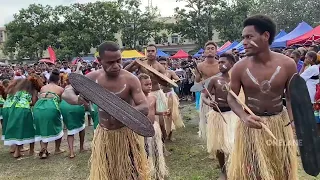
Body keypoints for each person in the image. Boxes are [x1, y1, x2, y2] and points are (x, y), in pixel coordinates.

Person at [62, 41, 150, 180]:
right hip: (104, 135)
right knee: (106, 174)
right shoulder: (93, 78)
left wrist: (122, 113)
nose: (116, 66)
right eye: (110, 62)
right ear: (99, 61)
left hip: (126, 136)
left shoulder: (130, 79)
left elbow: (144, 107)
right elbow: (67, 92)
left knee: (132, 174)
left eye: (118, 60)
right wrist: (77, 99)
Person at [227, 15, 298, 180]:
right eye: (243, 37)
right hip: (252, 127)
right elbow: (231, 97)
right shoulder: (239, 67)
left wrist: (293, 122)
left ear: (266, 36)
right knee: (254, 172)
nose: (244, 42)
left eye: (249, 37)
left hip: (280, 124)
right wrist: (244, 117)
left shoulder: (288, 64)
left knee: (283, 170)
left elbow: (291, 97)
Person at [202, 53, 238, 179]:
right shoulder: (214, 80)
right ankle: (223, 170)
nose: (221, 65)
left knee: (233, 142)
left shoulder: (236, 80)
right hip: (217, 115)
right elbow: (204, 96)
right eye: (219, 62)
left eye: (224, 62)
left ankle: (234, 166)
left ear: (232, 64)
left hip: (233, 115)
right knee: (219, 144)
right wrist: (209, 102)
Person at [125, 44, 169, 141]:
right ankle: (144, 140)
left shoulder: (160, 67)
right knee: (145, 117)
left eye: (152, 51)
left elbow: (165, 82)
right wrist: (133, 63)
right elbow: (125, 71)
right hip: (142, 94)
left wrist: (155, 74)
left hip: (157, 93)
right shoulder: (141, 64)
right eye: (148, 51)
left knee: (161, 120)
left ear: (156, 52)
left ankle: (162, 140)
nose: (150, 53)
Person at [3, 76, 43, 158]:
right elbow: (34, 102)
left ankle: (17, 150)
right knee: (31, 129)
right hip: (24, 110)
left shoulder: (18, 90)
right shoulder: (32, 91)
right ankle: (31, 151)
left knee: (19, 129)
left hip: (13, 109)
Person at [139, 73, 168, 180]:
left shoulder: (153, 97)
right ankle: (146, 171)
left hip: (153, 127)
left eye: (150, 84)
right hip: (142, 129)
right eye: (146, 84)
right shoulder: (136, 100)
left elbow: (154, 111)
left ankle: (157, 170)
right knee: (145, 150)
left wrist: (163, 113)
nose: (149, 86)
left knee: (155, 149)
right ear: (138, 85)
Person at [33, 69, 65, 159]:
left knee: (42, 127)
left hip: (37, 108)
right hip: (51, 107)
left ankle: (44, 150)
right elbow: (61, 103)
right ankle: (57, 149)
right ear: (58, 80)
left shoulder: (43, 88)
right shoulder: (60, 89)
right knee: (58, 126)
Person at [195, 41, 221, 139]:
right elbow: (197, 82)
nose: (210, 50)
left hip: (218, 97)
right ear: (205, 51)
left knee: (218, 121)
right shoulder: (200, 66)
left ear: (216, 51)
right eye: (208, 48)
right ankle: (210, 141)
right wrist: (199, 74)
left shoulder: (220, 64)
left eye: (212, 48)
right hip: (205, 96)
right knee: (207, 121)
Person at [60, 77, 86, 159]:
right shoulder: (78, 86)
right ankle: (81, 148)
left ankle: (71, 152)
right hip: (76, 104)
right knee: (81, 127)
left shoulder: (64, 88)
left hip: (64, 106)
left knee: (70, 130)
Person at [159, 57, 184, 141]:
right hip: (160, 95)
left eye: (164, 64)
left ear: (167, 64)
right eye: (161, 64)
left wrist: (173, 82)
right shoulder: (155, 73)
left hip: (169, 95)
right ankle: (162, 134)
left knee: (171, 115)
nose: (163, 65)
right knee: (161, 116)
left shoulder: (170, 72)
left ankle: (170, 135)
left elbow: (178, 80)